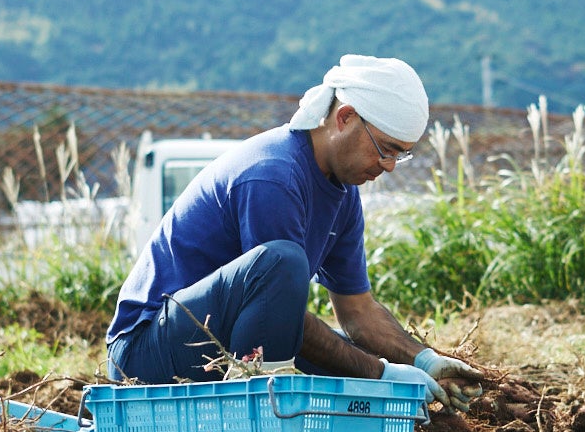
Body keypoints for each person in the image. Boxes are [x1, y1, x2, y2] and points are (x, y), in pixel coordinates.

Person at [105, 55, 483, 410]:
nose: (389, 167)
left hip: (219, 341)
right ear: (345, 118)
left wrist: (424, 360)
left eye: (400, 155)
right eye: (386, 149)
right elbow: (279, 307)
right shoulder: (273, 176)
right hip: (145, 354)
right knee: (285, 265)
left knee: (349, 366)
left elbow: (358, 311)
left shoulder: (343, 193)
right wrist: (380, 373)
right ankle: (254, 426)